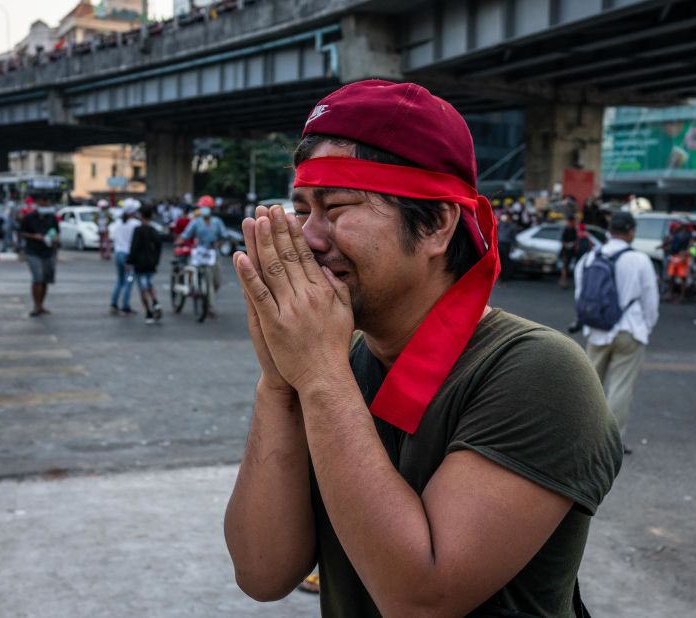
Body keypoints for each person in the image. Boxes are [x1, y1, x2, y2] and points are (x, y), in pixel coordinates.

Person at [224, 80, 621, 618]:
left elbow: (420, 600)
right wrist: (278, 383)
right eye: (301, 210)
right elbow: (261, 572)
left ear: (435, 224)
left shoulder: (538, 370)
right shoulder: (340, 363)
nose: (309, 237)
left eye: (337, 206)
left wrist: (318, 375)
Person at [574, 211, 659, 454]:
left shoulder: (590, 258)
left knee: (589, 386)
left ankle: (581, 437)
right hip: (629, 329)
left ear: (609, 230)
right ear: (631, 231)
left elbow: (581, 296)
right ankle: (610, 444)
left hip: (597, 329)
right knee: (621, 387)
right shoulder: (641, 260)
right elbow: (650, 300)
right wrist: (647, 327)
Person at [180, 195, 226, 305]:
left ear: (211, 209)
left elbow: (224, 236)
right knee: (192, 270)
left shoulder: (217, 222)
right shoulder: (196, 222)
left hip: (213, 254)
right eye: (202, 207)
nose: (204, 209)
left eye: (206, 207)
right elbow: (186, 235)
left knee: (216, 281)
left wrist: (219, 243)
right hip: (199, 252)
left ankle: (209, 297)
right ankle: (192, 289)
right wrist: (179, 242)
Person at [18, 195, 59, 317]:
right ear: (38, 202)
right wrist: (34, 236)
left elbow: (56, 233)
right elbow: (21, 233)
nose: (46, 204)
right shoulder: (29, 217)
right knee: (37, 278)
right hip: (33, 251)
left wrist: (55, 243)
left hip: (48, 251)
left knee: (46, 280)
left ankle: (41, 305)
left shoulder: (52, 218)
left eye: (48, 202)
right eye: (44, 201)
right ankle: (36, 305)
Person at [127, 204, 163, 324]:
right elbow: (159, 247)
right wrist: (156, 261)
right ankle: (155, 301)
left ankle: (148, 312)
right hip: (151, 263)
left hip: (140, 264)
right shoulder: (154, 231)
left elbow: (134, 248)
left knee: (142, 288)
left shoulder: (138, 231)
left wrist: (129, 261)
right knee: (150, 284)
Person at [110, 200, 141, 315]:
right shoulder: (135, 224)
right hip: (128, 256)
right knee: (129, 281)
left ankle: (114, 303)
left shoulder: (118, 223)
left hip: (118, 253)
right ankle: (125, 306)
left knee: (119, 280)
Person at [496, 212, 517, 282]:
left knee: (505, 262)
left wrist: (513, 246)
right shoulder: (500, 224)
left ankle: (504, 278)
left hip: (506, 245)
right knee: (498, 261)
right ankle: (497, 277)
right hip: (499, 244)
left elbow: (513, 238)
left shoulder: (512, 226)